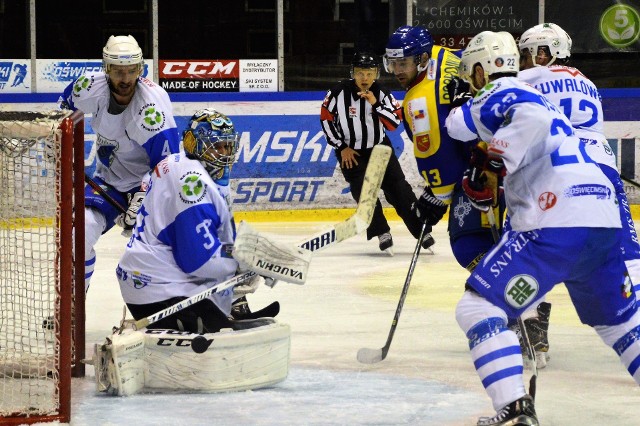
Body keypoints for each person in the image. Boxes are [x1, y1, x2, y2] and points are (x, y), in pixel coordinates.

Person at [452, 30, 639, 425]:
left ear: (483, 70)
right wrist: (492, 164)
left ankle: (514, 408)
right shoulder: (577, 84)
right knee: (621, 323)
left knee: (478, 307)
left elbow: (463, 125)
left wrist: (496, 156)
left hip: (557, 216)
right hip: (602, 208)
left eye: (471, 74)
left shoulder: (511, 88)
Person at [517, 22, 640, 349]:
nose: (524, 62)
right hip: (602, 167)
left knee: (531, 242)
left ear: (543, 52)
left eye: (528, 54)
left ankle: (530, 319)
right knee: (627, 252)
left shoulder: (532, 79)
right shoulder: (584, 80)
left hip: (560, 170)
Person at [116, 109, 264, 333]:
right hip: (161, 292)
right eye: (216, 146)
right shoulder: (192, 183)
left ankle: (229, 306)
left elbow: (217, 236)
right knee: (230, 345)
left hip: (150, 281)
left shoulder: (178, 163)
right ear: (194, 144)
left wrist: (241, 257)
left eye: (227, 146)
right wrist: (243, 263)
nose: (223, 154)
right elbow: (198, 261)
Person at [59, 35, 181, 292]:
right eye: (117, 71)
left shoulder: (151, 112)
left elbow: (169, 166)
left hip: (150, 187)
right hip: (107, 183)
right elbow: (63, 111)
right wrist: (59, 145)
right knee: (75, 236)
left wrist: (144, 197)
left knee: (167, 246)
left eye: (131, 71)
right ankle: (72, 309)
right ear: (106, 69)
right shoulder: (88, 87)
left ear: (141, 69)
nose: (125, 79)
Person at [384, 25, 504, 270]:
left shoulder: (418, 102)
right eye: (393, 64)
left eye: (403, 64)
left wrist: (436, 198)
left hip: (481, 171)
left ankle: (505, 290)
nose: (397, 71)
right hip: (505, 151)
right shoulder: (441, 54)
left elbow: (442, 167)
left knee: (468, 244)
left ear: (422, 59)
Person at [320, 52, 433, 255]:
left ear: (376, 74)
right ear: (352, 73)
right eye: (360, 73)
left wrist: (376, 104)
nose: (365, 78)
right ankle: (382, 232)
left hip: (380, 149)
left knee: (400, 189)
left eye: (369, 73)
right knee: (364, 193)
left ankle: (421, 230)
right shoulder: (337, 93)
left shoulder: (382, 93)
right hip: (351, 153)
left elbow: (393, 124)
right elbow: (326, 119)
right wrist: (340, 147)